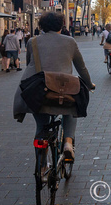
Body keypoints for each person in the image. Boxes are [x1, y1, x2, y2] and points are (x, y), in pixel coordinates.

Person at [13, 12, 95, 162]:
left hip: (40, 92)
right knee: (71, 109)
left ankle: (42, 166)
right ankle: (68, 144)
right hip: (63, 90)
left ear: (42, 26)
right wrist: (89, 84)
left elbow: (30, 63)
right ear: (61, 25)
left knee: (41, 126)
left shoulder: (33, 41)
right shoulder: (70, 42)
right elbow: (81, 68)